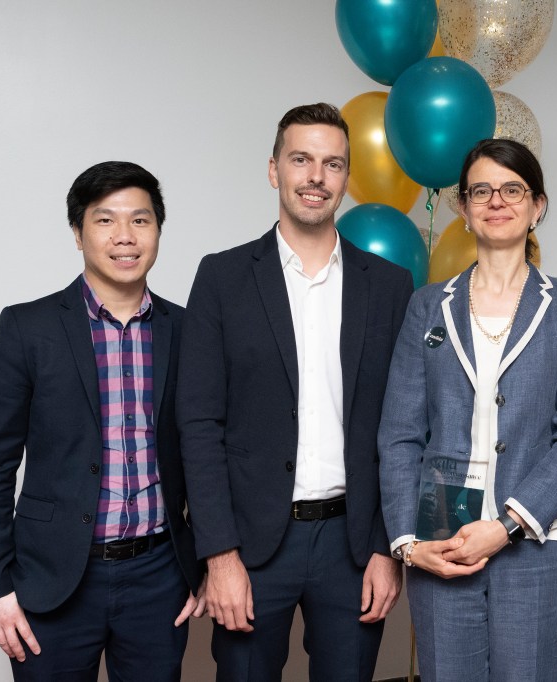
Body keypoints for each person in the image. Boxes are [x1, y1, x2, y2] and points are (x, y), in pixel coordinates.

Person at [177, 102, 414, 681]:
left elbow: (405, 426)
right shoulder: (222, 278)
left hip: (353, 545)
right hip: (251, 547)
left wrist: (386, 548)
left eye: (332, 164)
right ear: (273, 169)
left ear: (346, 177)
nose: (316, 177)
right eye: (301, 159)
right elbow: (198, 424)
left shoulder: (389, 286)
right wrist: (219, 555)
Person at [0, 161, 205, 681]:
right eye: (105, 220)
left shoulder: (188, 330)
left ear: (158, 230)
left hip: (159, 578)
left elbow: (209, 451)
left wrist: (205, 564)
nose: (125, 236)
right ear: (78, 233)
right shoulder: (28, 329)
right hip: (52, 580)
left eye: (140, 220)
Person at [378, 138, 557, 682]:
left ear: (537, 206)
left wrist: (505, 526)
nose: (496, 201)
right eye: (481, 190)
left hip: (536, 542)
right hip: (441, 538)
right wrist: (407, 542)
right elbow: (400, 434)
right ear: (463, 206)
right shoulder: (427, 305)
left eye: (512, 190)